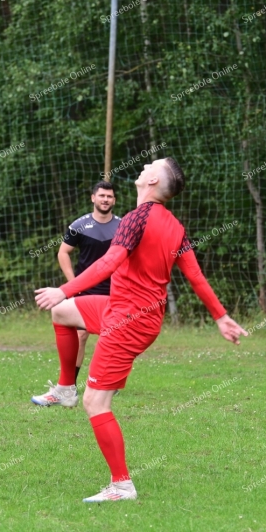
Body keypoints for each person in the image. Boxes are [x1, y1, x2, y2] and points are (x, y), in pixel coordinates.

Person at [35, 157, 246, 502]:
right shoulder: (174, 226)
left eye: (152, 165)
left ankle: (122, 486)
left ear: (153, 181)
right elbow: (194, 275)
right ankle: (65, 388)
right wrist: (221, 316)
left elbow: (109, 262)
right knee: (61, 313)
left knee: (96, 402)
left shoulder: (136, 218)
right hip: (126, 311)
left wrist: (65, 288)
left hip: (128, 321)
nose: (145, 164)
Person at [31, 181, 121, 407]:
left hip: (115, 291)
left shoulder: (122, 226)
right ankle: (69, 386)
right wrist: (73, 284)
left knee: (114, 336)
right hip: (86, 289)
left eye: (109, 196)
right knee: (80, 335)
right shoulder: (79, 225)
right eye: (102, 195)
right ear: (93, 198)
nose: (105, 200)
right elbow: (63, 252)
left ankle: (109, 382)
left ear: (114, 200)